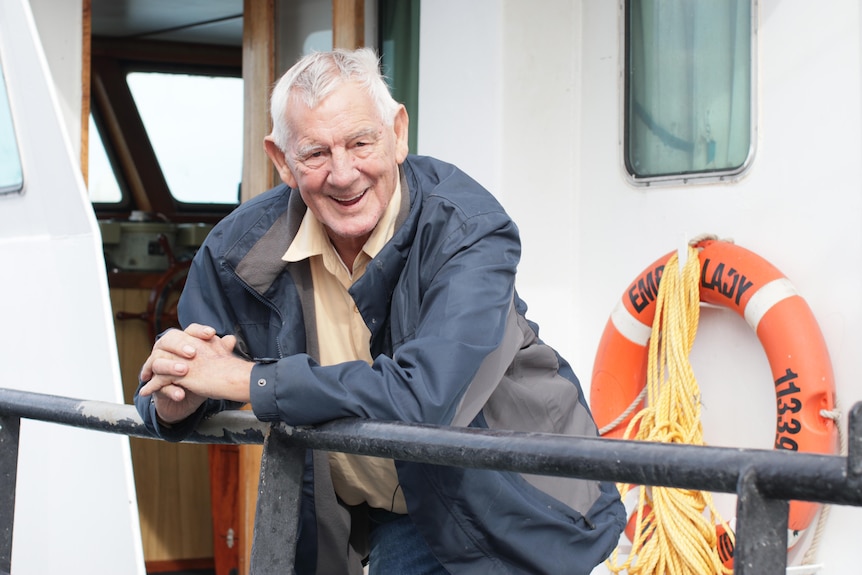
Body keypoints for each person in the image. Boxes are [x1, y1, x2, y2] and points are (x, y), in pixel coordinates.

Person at [135, 47, 625, 575]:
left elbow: (424, 397)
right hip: (393, 517)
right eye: (316, 154)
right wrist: (175, 402)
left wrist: (250, 380)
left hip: (519, 510)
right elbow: (190, 379)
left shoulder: (470, 229)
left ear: (398, 132)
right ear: (281, 160)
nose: (343, 174)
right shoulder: (237, 251)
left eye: (360, 142)